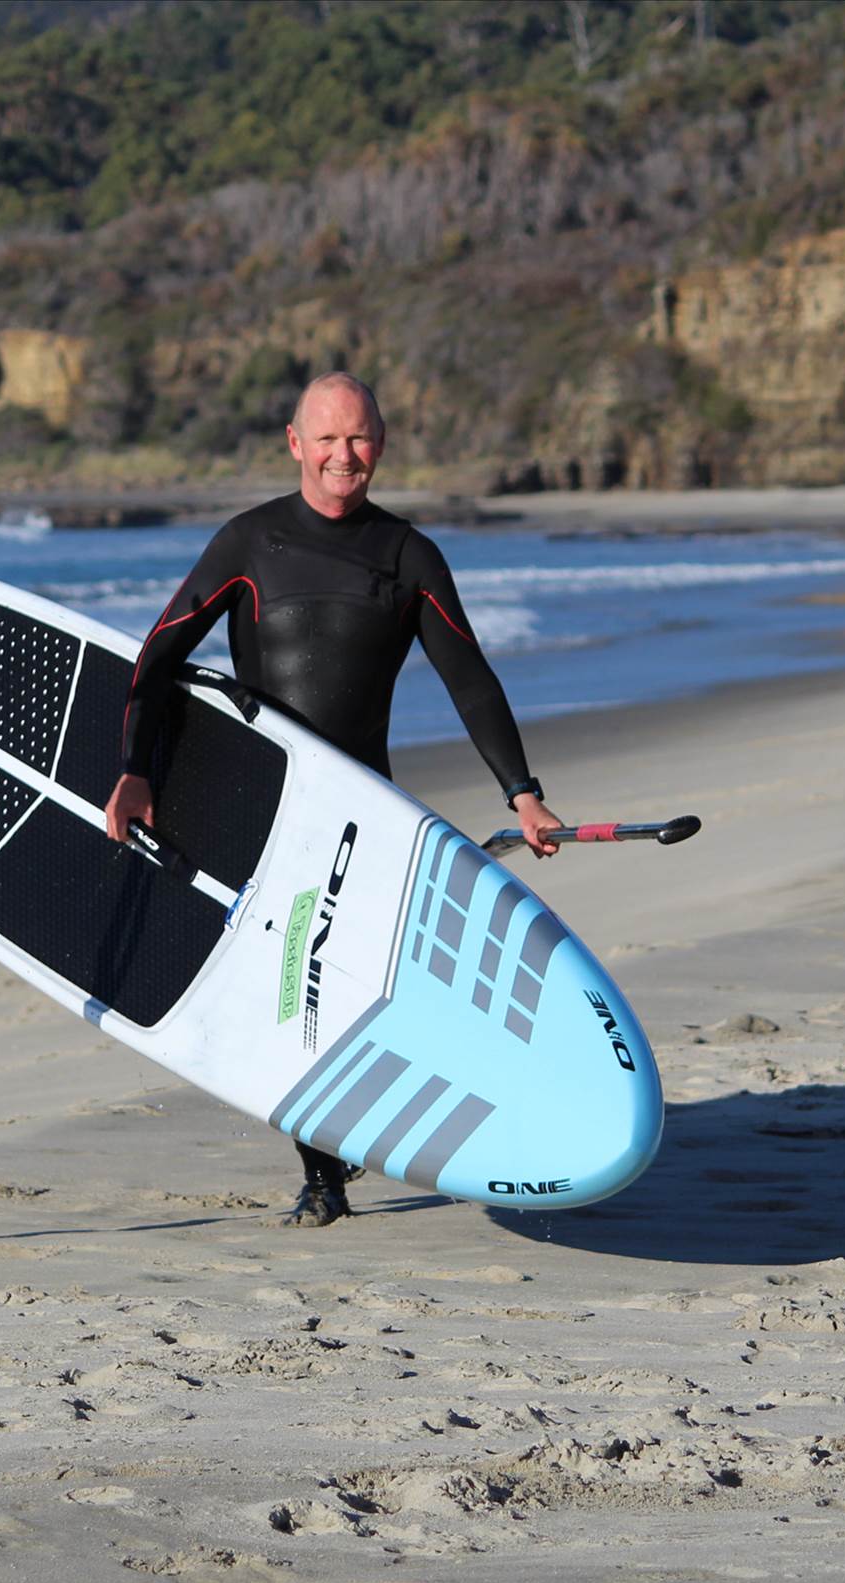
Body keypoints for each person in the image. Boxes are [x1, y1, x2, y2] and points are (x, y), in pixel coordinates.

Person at [106, 372, 564, 1227]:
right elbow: (160, 655)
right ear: (295, 443)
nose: (341, 455)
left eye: (357, 438)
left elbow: (469, 679)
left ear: (379, 444)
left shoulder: (407, 555)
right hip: (269, 813)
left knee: (380, 981)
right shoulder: (249, 542)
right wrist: (135, 770)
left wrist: (523, 794)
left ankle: (385, 1124)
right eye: (325, 438)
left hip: (366, 807)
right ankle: (322, 1176)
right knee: (291, 992)